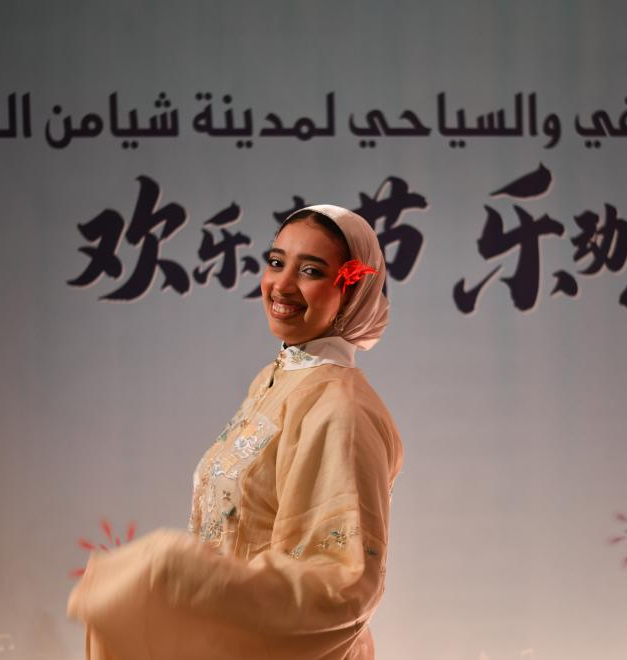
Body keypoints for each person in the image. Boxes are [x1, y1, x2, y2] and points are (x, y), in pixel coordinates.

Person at [67, 204, 404, 660]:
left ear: (352, 290)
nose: (282, 285)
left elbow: (341, 583)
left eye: (310, 271)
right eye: (276, 262)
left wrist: (178, 573)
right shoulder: (276, 380)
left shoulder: (340, 408)